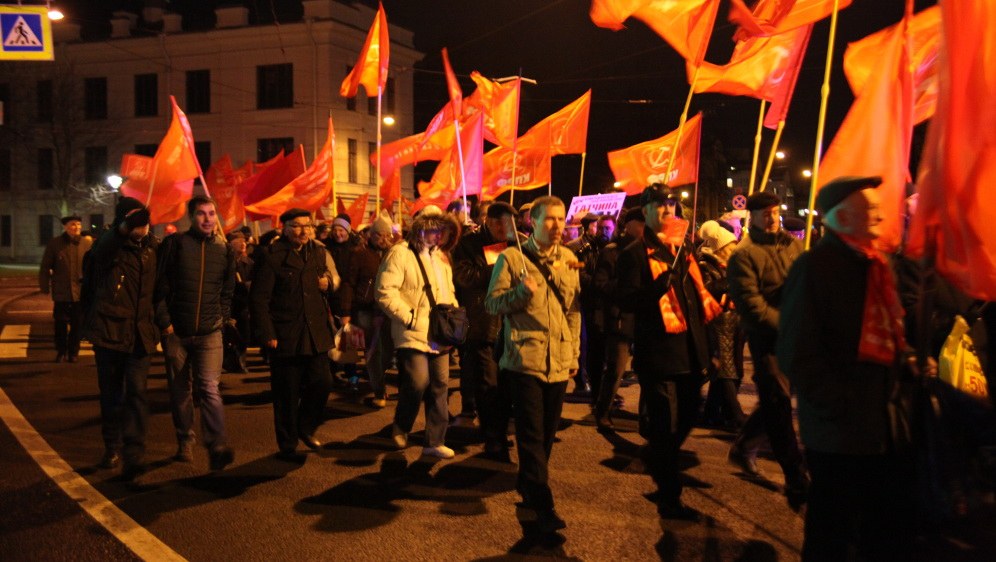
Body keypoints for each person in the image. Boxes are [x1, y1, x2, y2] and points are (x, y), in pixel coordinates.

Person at [778, 176, 932, 560]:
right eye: (869, 208)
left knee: (881, 532)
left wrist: (908, 358)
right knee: (833, 533)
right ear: (843, 216)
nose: (880, 213)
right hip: (840, 434)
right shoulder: (814, 268)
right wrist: (839, 406)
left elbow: (887, 332)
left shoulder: (878, 266)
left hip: (885, 427)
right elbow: (797, 352)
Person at [616, 184, 721, 521]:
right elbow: (626, 301)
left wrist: (712, 348)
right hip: (659, 353)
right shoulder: (633, 253)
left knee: (690, 415)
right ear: (645, 210)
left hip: (690, 351)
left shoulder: (684, 247)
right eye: (659, 206)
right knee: (664, 423)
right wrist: (653, 290)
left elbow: (696, 298)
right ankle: (669, 493)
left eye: (671, 206)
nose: (667, 212)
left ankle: (661, 459)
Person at [485, 196, 581, 535]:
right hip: (524, 359)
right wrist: (520, 295)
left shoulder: (570, 259)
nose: (557, 226)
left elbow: (573, 311)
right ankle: (543, 503)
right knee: (529, 434)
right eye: (550, 220)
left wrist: (574, 353)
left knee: (546, 436)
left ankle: (529, 484)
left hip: (559, 361)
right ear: (533, 223)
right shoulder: (512, 259)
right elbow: (492, 304)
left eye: (561, 220)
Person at [726, 192, 809, 507]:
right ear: (753, 217)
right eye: (765, 214)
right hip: (767, 339)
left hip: (797, 336)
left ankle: (745, 442)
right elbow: (752, 306)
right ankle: (795, 476)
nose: (772, 219)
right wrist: (787, 323)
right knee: (778, 405)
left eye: (775, 212)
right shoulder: (744, 254)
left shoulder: (793, 246)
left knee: (780, 399)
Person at [250, 208, 340, 460]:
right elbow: (259, 299)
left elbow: (328, 284)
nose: (304, 231)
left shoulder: (318, 252)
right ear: (284, 229)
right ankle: (288, 441)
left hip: (315, 332)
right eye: (297, 226)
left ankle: (306, 426)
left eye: (308, 226)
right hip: (285, 332)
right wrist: (267, 332)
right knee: (286, 392)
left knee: (323, 382)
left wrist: (328, 282)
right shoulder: (271, 257)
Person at [155, 196, 236, 471]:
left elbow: (227, 290)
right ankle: (185, 440)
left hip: (210, 332)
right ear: (191, 216)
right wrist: (165, 322)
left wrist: (222, 317)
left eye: (212, 213)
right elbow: (160, 287)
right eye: (201, 214)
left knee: (210, 388)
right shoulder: (175, 245)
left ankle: (216, 445)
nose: (208, 219)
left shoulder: (225, 251)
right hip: (177, 332)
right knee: (181, 391)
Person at [80, 197, 159, 479]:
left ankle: (134, 453)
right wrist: (123, 229)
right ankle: (111, 446)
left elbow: (159, 293)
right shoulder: (108, 246)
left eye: (146, 221)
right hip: (109, 332)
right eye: (136, 221)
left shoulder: (153, 249)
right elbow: (102, 251)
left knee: (137, 394)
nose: (143, 227)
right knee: (112, 395)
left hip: (141, 335)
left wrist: (161, 326)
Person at [376, 206, 461, 460]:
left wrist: (454, 318)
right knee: (417, 381)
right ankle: (401, 425)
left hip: (439, 333)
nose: (437, 235)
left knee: (440, 385)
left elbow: (449, 291)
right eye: (432, 229)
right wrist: (409, 317)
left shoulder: (442, 258)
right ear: (420, 228)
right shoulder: (399, 253)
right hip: (411, 331)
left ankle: (435, 440)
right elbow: (384, 291)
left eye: (441, 230)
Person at [452, 201, 518, 458]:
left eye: (511, 224)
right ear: (490, 222)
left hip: (509, 324)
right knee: (487, 383)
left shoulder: (517, 243)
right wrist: (497, 266)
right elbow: (465, 278)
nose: (508, 229)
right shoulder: (468, 244)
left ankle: (495, 430)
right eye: (503, 224)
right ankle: (493, 437)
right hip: (482, 323)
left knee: (504, 385)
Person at [592, 207, 644, 429]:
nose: (644, 228)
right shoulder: (612, 251)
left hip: (643, 318)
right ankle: (602, 411)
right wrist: (627, 287)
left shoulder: (647, 250)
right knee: (616, 370)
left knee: (647, 370)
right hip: (620, 319)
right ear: (628, 225)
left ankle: (647, 416)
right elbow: (600, 284)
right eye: (640, 223)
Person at [696, 220, 746, 429]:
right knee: (726, 370)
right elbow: (706, 289)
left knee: (733, 368)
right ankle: (735, 414)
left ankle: (712, 412)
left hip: (734, 323)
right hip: (717, 323)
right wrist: (730, 282)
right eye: (731, 247)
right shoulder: (704, 265)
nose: (734, 250)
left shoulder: (727, 266)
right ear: (721, 249)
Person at [349, 213, 397, 407]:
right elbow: (349, 282)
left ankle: (379, 376)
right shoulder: (360, 254)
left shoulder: (395, 254)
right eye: (379, 235)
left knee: (389, 349)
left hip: (389, 308)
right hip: (366, 308)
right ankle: (379, 390)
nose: (383, 239)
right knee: (373, 350)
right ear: (371, 235)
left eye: (387, 235)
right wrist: (346, 311)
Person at [39, 214, 92, 363]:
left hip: (80, 292)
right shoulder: (55, 244)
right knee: (60, 323)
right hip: (62, 291)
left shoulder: (86, 243)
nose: (76, 227)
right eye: (73, 224)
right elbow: (45, 266)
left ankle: (73, 352)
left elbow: (93, 265)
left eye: (78, 224)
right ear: (65, 227)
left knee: (77, 324)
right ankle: (61, 351)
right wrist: (44, 286)